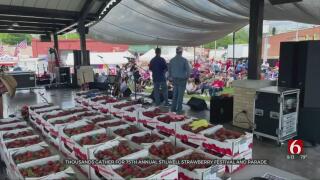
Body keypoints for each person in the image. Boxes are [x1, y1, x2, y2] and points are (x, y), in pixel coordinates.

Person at [168, 47, 190, 114]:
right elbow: (188, 70)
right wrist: (187, 77)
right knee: (180, 95)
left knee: (175, 95)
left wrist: (170, 77)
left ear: (176, 52)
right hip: (182, 79)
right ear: (181, 52)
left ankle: (173, 108)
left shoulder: (172, 60)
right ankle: (179, 109)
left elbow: (169, 71)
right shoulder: (184, 60)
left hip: (174, 79)